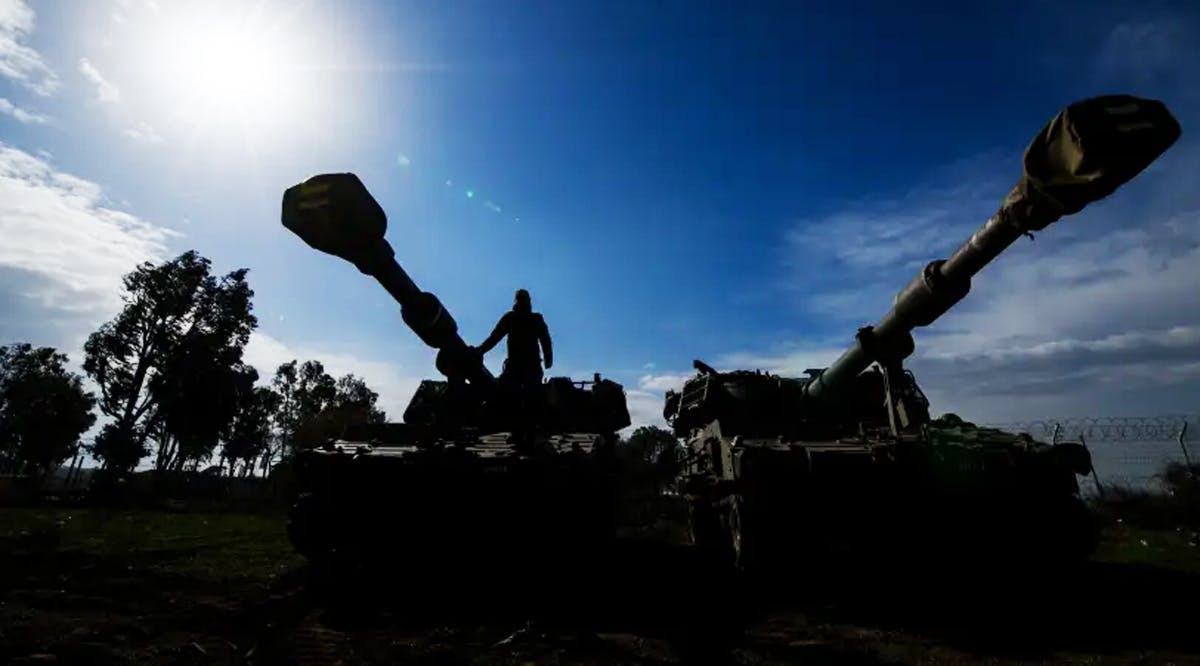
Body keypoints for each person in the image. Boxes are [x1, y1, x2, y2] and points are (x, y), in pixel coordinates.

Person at [477, 288, 553, 387]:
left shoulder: (525, 319)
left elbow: (546, 341)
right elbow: (494, 338)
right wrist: (480, 350)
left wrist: (480, 350)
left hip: (527, 369)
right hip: (518, 369)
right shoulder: (514, 318)